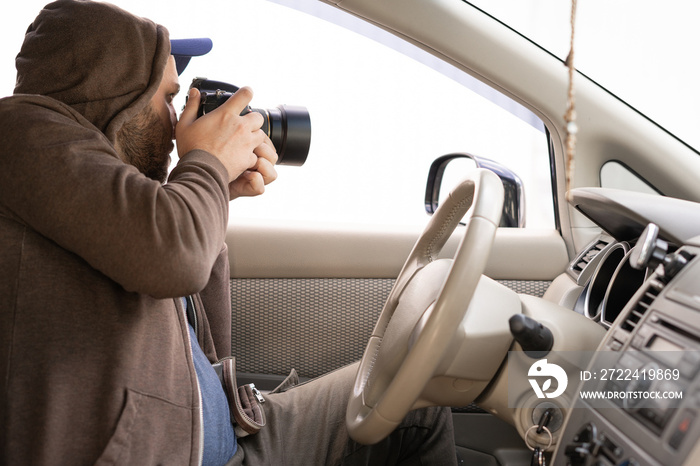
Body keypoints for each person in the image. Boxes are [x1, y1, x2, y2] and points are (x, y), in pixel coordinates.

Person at [0, 1, 457, 465]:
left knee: (415, 394)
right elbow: (176, 259)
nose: (179, 122)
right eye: (168, 99)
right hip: (162, 452)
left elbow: (194, 312)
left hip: (216, 441)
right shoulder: (18, 133)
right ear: (117, 91)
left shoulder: (91, 186)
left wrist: (216, 192)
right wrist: (208, 165)